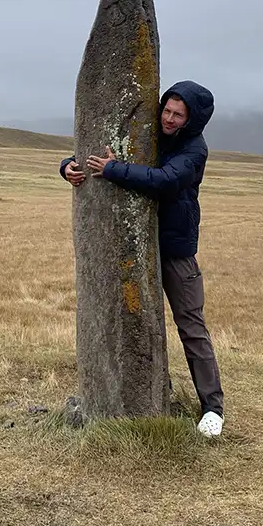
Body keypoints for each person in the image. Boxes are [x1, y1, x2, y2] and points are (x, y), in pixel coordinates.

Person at [60, 81, 225, 438]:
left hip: (174, 251)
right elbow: (95, 148)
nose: (168, 118)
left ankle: (213, 409)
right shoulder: (150, 133)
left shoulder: (194, 149)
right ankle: (139, 395)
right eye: (166, 110)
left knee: (192, 328)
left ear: (192, 119)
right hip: (134, 247)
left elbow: (165, 179)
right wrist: (68, 167)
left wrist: (114, 170)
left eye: (178, 115)